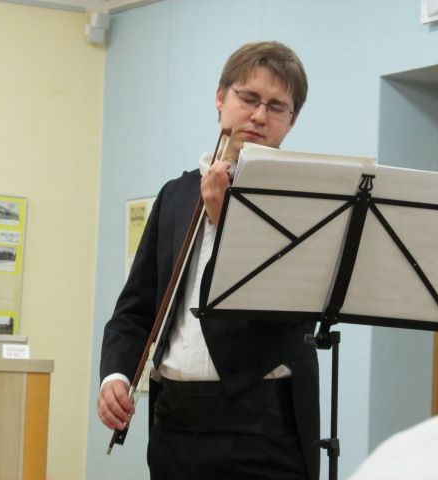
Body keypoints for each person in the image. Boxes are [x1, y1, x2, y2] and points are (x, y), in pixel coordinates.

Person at [98, 41, 319, 480]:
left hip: (263, 428)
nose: (259, 116)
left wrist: (225, 218)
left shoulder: (307, 200)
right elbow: (135, 310)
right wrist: (116, 376)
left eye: (276, 106)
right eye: (248, 98)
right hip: (173, 424)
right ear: (221, 98)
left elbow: (293, 312)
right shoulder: (176, 194)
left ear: (292, 121)